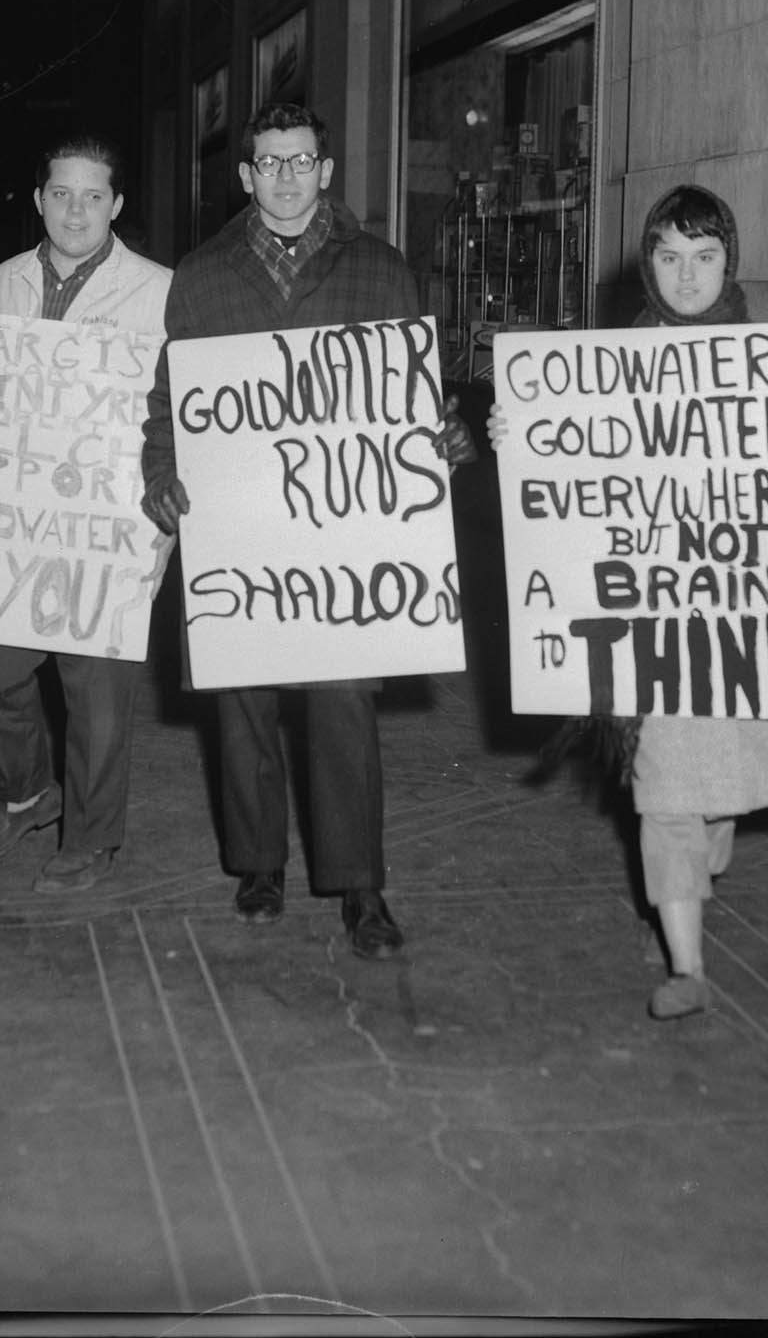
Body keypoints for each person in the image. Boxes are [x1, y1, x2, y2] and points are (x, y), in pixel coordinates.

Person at [492, 184, 768, 1022]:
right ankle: (686, 961)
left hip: (738, 622)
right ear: (647, 264)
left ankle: (686, 887)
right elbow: (564, 479)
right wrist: (523, 438)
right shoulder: (601, 373)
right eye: (667, 256)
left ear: (729, 261)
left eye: (704, 256)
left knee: (719, 795)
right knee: (665, 790)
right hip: (646, 624)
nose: (686, 276)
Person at [141, 101, 475, 960]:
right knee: (243, 704)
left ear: (325, 172)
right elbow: (167, 403)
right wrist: (158, 474)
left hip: (342, 541)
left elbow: (414, 397)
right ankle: (259, 865)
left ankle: (361, 884)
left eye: (301, 162)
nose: (285, 179)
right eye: (269, 164)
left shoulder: (382, 269)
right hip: (240, 528)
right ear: (246, 177)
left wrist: (444, 439)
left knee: (342, 706)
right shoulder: (203, 275)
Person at [0, 135, 173, 894]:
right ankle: (24, 793)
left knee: (97, 689)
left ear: (117, 204)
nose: (76, 209)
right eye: (61, 193)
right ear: (38, 199)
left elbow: (180, 414)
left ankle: (91, 837)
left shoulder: (159, 290)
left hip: (111, 522)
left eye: (93, 195)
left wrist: (164, 526)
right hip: (10, 522)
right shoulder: (2, 283)